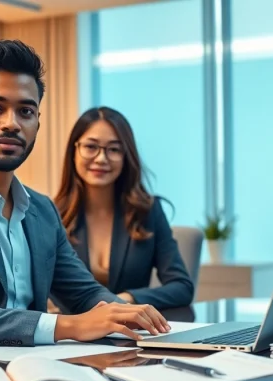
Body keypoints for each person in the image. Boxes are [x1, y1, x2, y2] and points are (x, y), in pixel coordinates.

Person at [0, 40, 170, 349]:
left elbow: (85, 293)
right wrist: (67, 326)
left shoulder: (42, 209)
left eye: (25, 111)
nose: (11, 124)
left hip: (35, 369)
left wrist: (130, 315)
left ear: (37, 121)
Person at [49, 107, 194, 312]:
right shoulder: (48, 214)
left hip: (131, 327)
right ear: (74, 151)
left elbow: (182, 287)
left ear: (127, 156)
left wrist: (125, 300)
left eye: (114, 149)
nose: (101, 158)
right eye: (91, 147)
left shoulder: (148, 212)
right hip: (71, 328)